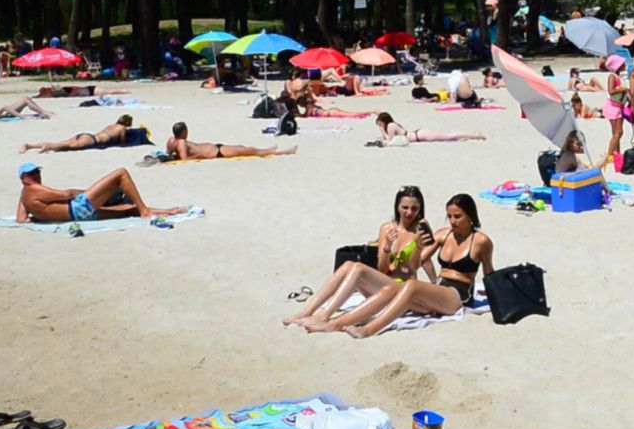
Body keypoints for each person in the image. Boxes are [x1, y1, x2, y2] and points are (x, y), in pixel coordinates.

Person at [314, 193, 494, 338]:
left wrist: (492, 295)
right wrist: (418, 246)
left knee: (411, 285)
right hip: (438, 291)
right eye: (449, 216)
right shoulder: (443, 235)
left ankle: (369, 329)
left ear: (470, 216)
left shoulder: (481, 241)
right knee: (389, 290)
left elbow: (489, 273)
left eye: (458, 216)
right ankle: (336, 323)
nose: (453, 221)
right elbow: (416, 264)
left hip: (458, 295)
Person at [286, 186, 435, 328]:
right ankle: (307, 311)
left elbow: (418, 265)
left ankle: (324, 316)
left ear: (420, 209)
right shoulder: (386, 228)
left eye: (414, 208)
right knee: (348, 265)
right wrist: (387, 246)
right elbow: (382, 270)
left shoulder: (420, 230)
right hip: (383, 286)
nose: (409, 213)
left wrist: (435, 282)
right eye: (405, 207)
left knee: (358, 268)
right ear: (397, 207)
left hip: (403, 290)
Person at [15, 163, 183, 223]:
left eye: (37, 172)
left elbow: (20, 220)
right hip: (78, 208)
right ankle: (145, 211)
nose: (37, 175)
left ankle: (169, 211)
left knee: (125, 211)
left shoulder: (24, 196)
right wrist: (85, 192)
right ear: (23, 178)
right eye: (32, 173)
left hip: (77, 218)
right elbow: (65, 195)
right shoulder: (35, 189)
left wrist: (40, 216)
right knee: (121, 173)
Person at [167, 122, 296, 160]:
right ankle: (278, 152)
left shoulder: (171, 140)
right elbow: (184, 159)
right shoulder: (182, 142)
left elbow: (168, 153)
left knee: (242, 147)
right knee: (248, 150)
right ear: (183, 132)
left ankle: (271, 150)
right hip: (216, 152)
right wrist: (199, 155)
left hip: (217, 149)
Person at [20, 116, 136, 154]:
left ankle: (30, 146)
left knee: (62, 143)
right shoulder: (122, 128)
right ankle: (47, 147)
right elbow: (123, 142)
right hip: (92, 140)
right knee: (66, 146)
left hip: (87, 135)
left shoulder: (112, 125)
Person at [374, 111, 484, 145]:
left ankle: (474, 135)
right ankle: (472, 135)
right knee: (447, 136)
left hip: (420, 136)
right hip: (419, 134)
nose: (379, 125)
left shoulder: (390, 125)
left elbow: (390, 140)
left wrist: (382, 129)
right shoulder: (392, 124)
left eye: (379, 123)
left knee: (448, 136)